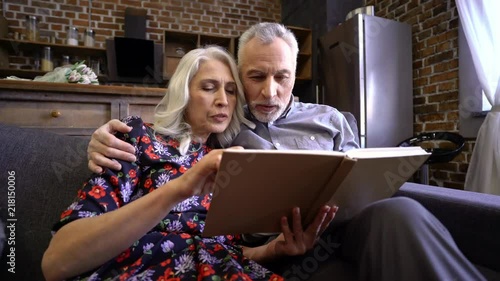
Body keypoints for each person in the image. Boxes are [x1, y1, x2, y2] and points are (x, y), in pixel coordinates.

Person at [86, 23, 486, 281]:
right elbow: (173, 128)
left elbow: (363, 176)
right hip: (283, 247)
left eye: (282, 77)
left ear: (296, 73)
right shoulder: (225, 120)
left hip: (347, 229)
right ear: (240, 76)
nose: (269, 92)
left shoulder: (330, 118)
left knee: (401, 212)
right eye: (255, 78)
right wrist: (102, 134)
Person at [41, 45, 337, 281]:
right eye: (209, 87)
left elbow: (222, 252)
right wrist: (180, 188)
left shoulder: (230, 157)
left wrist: (275, 249)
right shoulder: (137, 138)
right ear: (184, 93)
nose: (223, 100)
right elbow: (57, 262)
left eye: (231, 90)